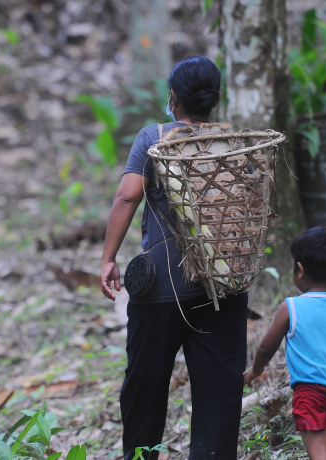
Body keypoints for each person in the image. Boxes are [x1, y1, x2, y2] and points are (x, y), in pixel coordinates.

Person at [100, 56, 249, 460]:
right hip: (224, 286)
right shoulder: (236, 142)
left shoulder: (154, 137)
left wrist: (108, 258)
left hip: (163, 291)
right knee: (219, 390)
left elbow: (128, 195)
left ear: (172, 97)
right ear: (216, 98)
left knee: (144, 388)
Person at [244, 226, 326, 460]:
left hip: (311, 393)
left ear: (299, 269)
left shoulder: (292, 308)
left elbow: (265, 347)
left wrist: (255, 370)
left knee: (323, 453)